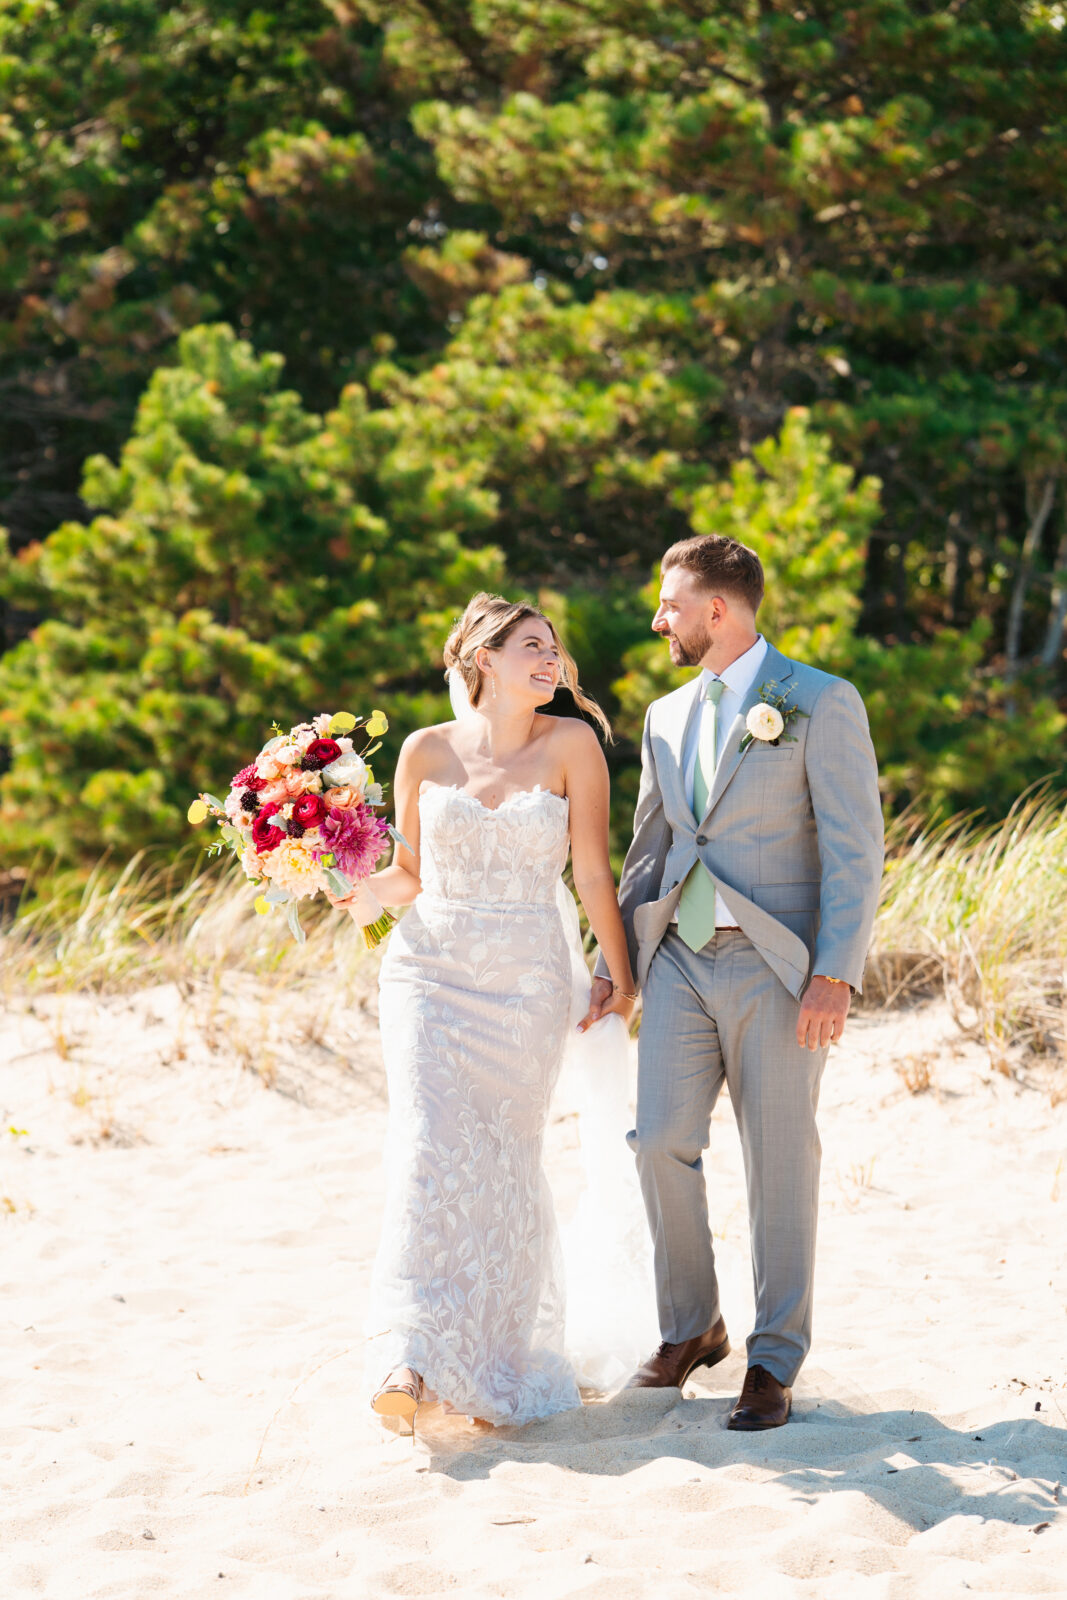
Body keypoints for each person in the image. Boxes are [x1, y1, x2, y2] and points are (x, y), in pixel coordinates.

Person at [587, 534, 883, 1429]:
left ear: (717, 609)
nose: (657, 619)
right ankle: (691, 1327)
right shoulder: (665, 716)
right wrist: (615, 963)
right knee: (657, 1139)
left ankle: (773, 1359)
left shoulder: (820, 701)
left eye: (670, 603)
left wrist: (834, 970)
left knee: (779, 1158)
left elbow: (854, 848)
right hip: (678, 959)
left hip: (779, 966)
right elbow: (649, 848)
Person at [332, 592, 637, 1429]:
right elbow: (407, 877)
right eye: (531, 646)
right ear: (483, 660)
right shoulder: (426, 752)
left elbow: (591, 875)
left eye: (554, 649)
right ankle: (410, 1355)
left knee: (502, 1161)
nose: (551, 661)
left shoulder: (573, 744)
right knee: (428, 1151)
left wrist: (619, 970)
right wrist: (337, 882)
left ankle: (496, 1359)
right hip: (428, 974)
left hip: (527, 982)